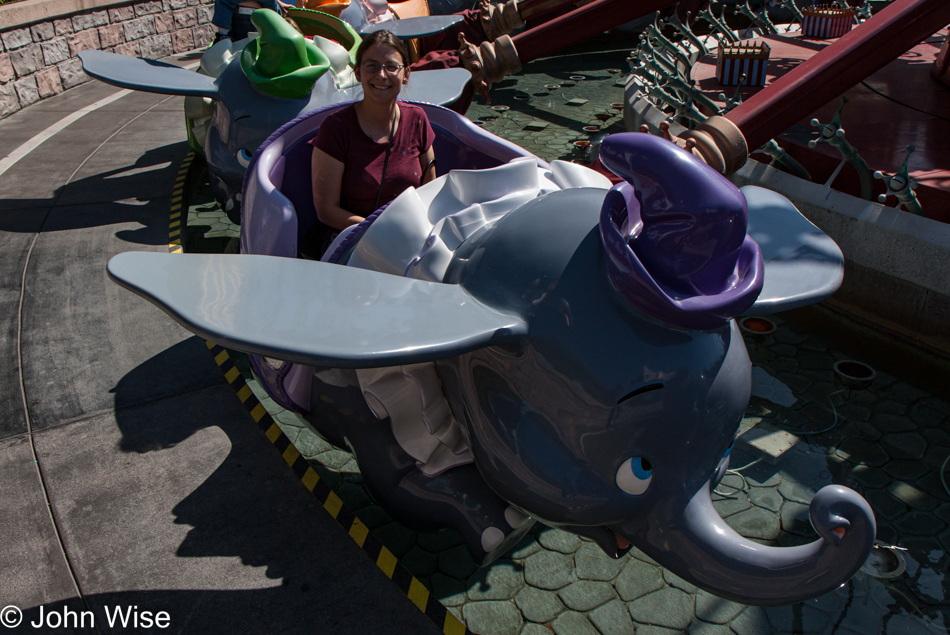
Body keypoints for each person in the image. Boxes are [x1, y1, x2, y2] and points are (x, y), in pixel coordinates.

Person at [310, 30, 437, 232]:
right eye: (372, 66)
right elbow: (327, 210)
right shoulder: (336, 129)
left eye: (392, 67)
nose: (381, 75)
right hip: (353, 239)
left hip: (409, 234)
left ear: (406, 75)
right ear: (358, 73)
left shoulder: (417, 119)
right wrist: (379, 231)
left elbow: (430, 191)